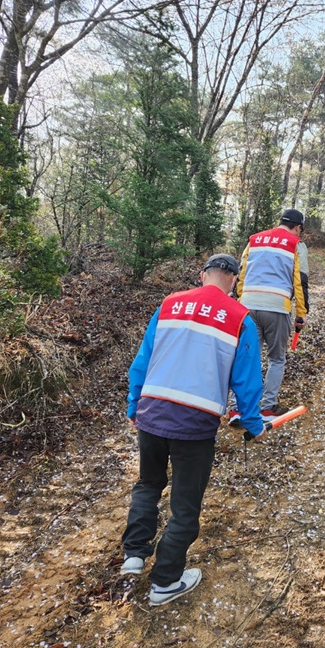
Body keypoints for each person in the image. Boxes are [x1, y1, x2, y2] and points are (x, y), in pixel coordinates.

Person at [120, 254, 264, 607]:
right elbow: (246, 380)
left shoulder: (169, 304)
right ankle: (165, 582)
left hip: (152, 413)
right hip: (194, 425)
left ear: (203, 276)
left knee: (149, 484)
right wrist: (252, 422)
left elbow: (143, 358)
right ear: (234, 280)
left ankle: (134, 557)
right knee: (185, 505)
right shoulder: (239, 318)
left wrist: (133, 403)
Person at [230, 208, 308, 423]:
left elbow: (242, 273)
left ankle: (237, 410)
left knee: (247, 358)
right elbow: (299, 283)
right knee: (276, 359)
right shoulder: (295, 245)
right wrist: (301, 314)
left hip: (248, 306)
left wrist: (240, 301)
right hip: (277, 307)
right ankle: (266, 408)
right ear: (298, 227)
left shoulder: (254, 240)